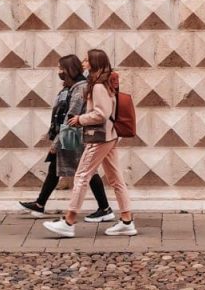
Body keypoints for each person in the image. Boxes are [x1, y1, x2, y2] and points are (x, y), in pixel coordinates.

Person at [43, 49, 136, 238]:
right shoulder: (104, 83)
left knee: (81, 176)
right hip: (109, 136)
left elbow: (101, 113)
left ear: (93, 63)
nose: (83, 62)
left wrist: (80, 119)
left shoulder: (98, 86)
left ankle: (68, 221)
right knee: (116, 179)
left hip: (100, 137)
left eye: (86, 59)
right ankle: (127, 221)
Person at [19, 54, 114, 223]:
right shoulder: (70, 87)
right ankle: (40, 204)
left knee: (87, 171)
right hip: (69, 134)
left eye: (61, 68)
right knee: (58, 167)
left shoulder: (79, 88)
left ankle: (103, 208)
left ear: (69, 69)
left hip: (74, 136)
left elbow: (71, 116)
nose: (59, 71)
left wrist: (55, 143)